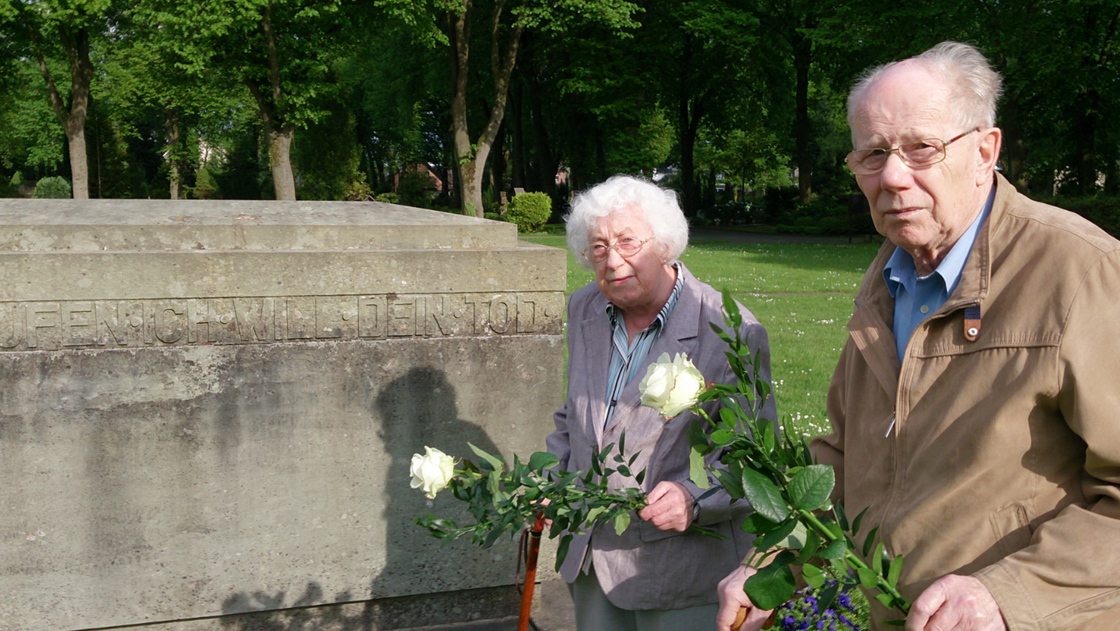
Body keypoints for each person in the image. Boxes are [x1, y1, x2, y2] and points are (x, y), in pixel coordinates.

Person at [718, 41, 1120, 631]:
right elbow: (842, 458)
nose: (893, 177)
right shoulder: (888, 278)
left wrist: (1006, 594)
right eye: (873, 153)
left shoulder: (1080, 271)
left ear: (986, 150)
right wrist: (772, 566)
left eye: (921, 149)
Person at [545, 175, 776, 631]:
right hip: (592, 561)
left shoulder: (729, 330)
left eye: (628, 242)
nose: (612, 262)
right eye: (598, 248)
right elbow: (574, 414)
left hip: (681, 575)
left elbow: (756, 461)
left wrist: (694, 497)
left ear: (666, 244)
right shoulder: (584, 309)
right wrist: (549, 483)